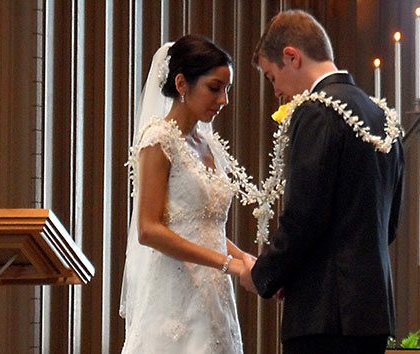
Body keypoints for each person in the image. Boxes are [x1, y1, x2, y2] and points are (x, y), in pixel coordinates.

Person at [239, 9, 404, 354]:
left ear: (291, 56)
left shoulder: (316, 111)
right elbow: (388, 225)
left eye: (272, 77)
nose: (279, 92)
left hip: (325, 314)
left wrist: (264, 275)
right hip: (371, 313)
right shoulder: (382, 116)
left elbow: (305, 216)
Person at [120, 35, 246, 354]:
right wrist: (225, 263)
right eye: (215, 88)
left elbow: (206, 229)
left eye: (227, 90)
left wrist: (245, 258)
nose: (224, 100)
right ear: (182, 83)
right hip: (175, 294)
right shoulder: (159, 140)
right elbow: (149, 230)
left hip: (214, 297)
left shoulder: (209, 145)